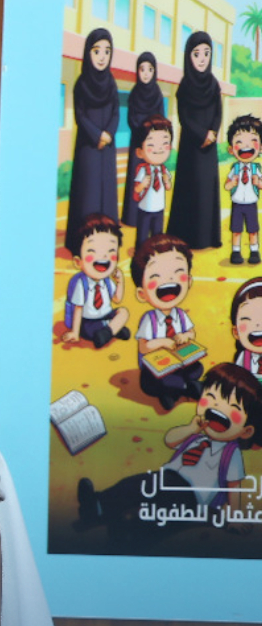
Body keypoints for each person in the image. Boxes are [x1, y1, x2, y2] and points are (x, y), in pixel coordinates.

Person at [76, 362, 262, 537]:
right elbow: (170, 440)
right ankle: (96, 505)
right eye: (210, 398)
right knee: (131, 485)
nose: (216, 408)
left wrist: (235, 517)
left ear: (246, 431)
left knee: (158, 514)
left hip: (191, 497)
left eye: (232, 407)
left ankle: (128, 531)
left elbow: (233, 487)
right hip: (166, 478)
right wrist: (190, 428)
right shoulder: (197, 437)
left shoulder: (231, 453)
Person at [131, 233, 204, 412]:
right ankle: (179, 389)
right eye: (157, 276)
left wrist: (185, 336)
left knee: (197, 368)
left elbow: (191, 332)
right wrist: (163, 342)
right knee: (155, 381)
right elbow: (144, 347)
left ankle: (179, 388)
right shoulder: (149, 319)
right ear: (142, 294)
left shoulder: (180, 315)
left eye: (178, 273)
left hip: (179, 360)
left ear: (189, 281)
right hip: (157, 365)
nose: (169, 281)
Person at [165, 32, 224, 249]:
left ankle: (208, 238)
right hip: (192, 147)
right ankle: (188, 237)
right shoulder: (185, 86)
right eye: (196, 54)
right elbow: (185, 117)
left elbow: (218, 112)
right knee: (191, 190)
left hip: (209, 149)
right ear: (188, 56)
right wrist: (202, 135)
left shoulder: (213, 84)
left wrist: (213, 132)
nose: (202, 59)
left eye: (206, 53)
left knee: (207, 191)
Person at [67, 26, 119, 255]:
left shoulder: (111, 82)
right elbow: (80, 115)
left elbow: (116, 112)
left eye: (107, 51)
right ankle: (83, 242)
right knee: (88, 193)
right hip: (89, 147)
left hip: (107, 148)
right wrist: (97, 135)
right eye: (97, 51)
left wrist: (109, 134)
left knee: (106, 193)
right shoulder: (82, 83)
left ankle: (108, 240)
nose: (102, 57)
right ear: (88, 52)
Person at [63, 214, 129, 348]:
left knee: (123, 312)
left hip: (106, 315)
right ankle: (112, 328)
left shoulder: (107, 282)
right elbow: (78, 309)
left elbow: (117, 299)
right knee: (90, 330)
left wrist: (120, 282)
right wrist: (75, 332)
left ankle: (108, 330)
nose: (104, 256)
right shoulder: (82, 284)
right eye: (93, 251)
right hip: (89, 321)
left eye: (111, 251)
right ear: (78, 261)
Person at [120, 51, 165, 221]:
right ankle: (132, 217)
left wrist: (154, 138)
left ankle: (151, 216)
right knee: (137, 178)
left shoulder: (157, 94)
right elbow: (131, 119)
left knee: (153, 178)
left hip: (154, 145)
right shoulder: (134, 93)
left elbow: (161, 119)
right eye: (142, 69)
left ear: (155, 71)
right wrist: (144, 136)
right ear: (137, 71)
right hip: (138, 145)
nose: (146, 73)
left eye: (150, 69)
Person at [127, 117, 172, 248]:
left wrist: (167, 181)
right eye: (151, 145)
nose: (159, 149)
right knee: (142, 234)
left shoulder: (163, 170)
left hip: (159, 208)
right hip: (145, 208)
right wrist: (142, 184)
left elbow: (168, 187)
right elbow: (136, 189)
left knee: (158, 235)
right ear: (140, 152)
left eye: (165, 144)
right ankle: (140, 252)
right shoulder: (143, 170)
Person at [227, 114, 262, 265]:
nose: (245, 146)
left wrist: (258, 182)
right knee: (236, 230)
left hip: (251, 203)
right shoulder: (235, 168)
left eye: (252, 141)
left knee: (253, 229)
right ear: (231, 149)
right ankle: (236, 251)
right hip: (237, 203)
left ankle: (254, 250)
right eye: (239, 142)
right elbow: (227, 185)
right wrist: (231, 184)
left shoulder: (256, 168)